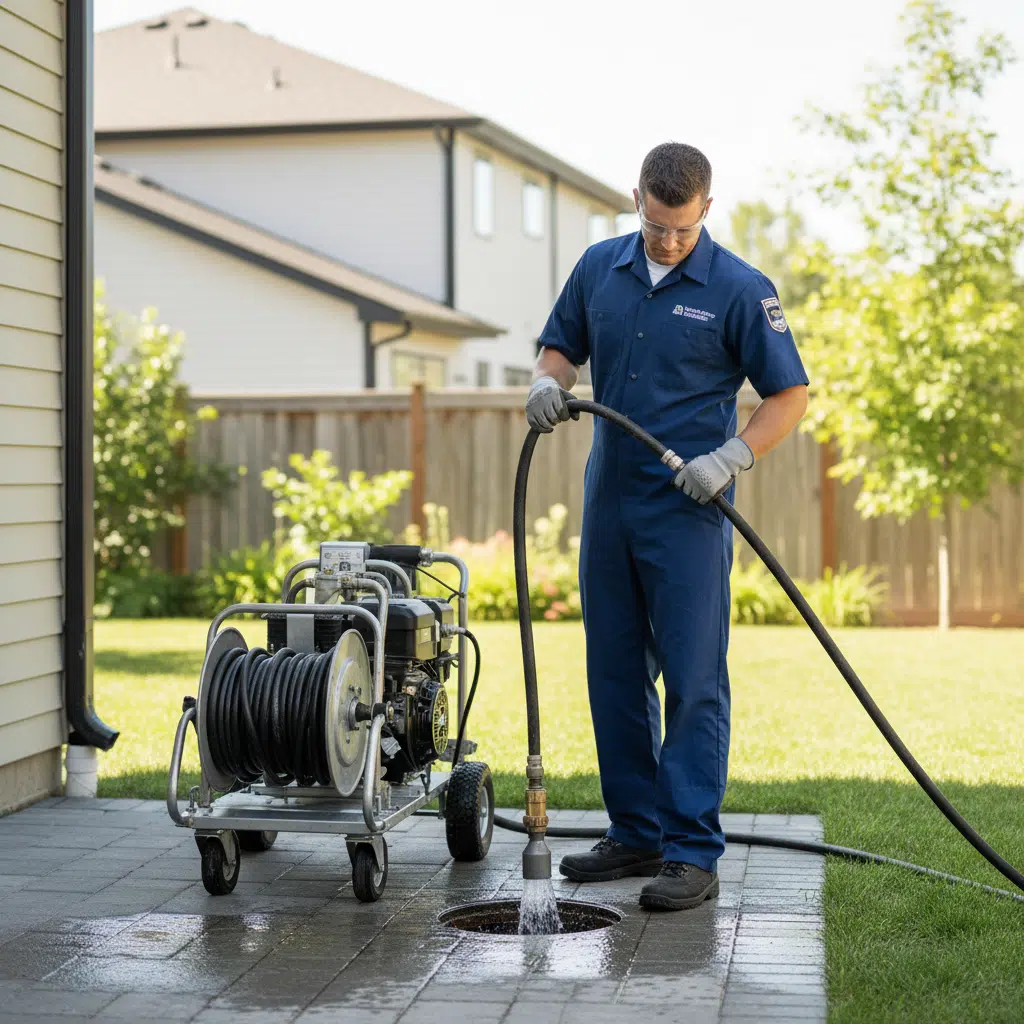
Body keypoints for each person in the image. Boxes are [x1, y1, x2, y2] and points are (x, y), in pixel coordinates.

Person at [526, 143, 809, 911]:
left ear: (706, 211)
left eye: (681, 230)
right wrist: (546, 384)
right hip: (609, 500)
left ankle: (690, 851)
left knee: (691, 681)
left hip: (688, 510)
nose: (667, 242)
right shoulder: (599, 269)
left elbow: (789, 397)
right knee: (613, 672)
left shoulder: (741, 289)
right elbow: (560, 349)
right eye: (655, 225)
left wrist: (733, 456)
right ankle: (636, 830)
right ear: (637, 201)